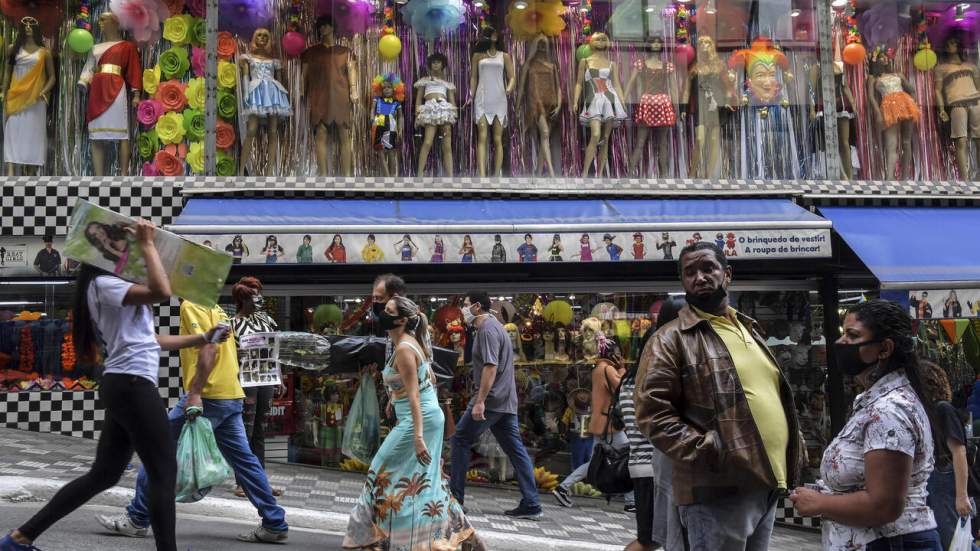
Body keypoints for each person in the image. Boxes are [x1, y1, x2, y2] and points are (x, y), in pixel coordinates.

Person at [1, 220, 214, 551]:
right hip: (130, 385)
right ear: (99, 254)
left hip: (126, 385)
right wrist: (146, 243)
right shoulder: (104, 284)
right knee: (163, 472)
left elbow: (149, 340)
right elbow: (162, 291)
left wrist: (202, 338)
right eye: (117, 247)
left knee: (104, 475)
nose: (124, 252)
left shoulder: (116, 288)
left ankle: (20, 538)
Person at [635, 241, 805, 551]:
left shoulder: (749, 329)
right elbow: (652, 414)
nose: (699, 277)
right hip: (717, 488)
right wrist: (710, 451)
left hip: (764, 483)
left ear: (727, 274)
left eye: (708, 268)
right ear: (683, 282)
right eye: (689, 272)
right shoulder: (670, 339)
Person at [99, 297, 289, 544]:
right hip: (230, 394)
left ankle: (136, 519)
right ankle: (274, 523)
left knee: (153, 450)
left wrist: (195, 393)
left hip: (208, 395)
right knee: (245, 461)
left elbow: (209, 347)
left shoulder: (193, 305)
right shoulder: (216, 307)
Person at [790, 300, 941, 550]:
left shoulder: (889, 411)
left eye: (852, 335)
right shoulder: (876, 402)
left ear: (884, 349)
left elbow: (884, 505)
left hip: (890, 542)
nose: (841, 343)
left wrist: (819, 503)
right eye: (842, 334)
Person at [343, 296, 484, 550]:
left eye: (388, 310)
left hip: (419, 421)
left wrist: (418, 438)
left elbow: (416, 395)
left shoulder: (405, 349)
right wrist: (393, 399)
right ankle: (461, 537)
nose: (381, 313)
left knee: (380, 470)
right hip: (422, 417)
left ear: (401, 320)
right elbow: (422, 379)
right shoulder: (407, 343)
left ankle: (376, 538)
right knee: (424, 478)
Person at [449, 291, 543, 519]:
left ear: (477, 307)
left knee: (460, 440)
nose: (464, 308)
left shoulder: (487, 330)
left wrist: (480, 401)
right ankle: (532, 503)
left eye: (466, 304)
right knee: (516, 450)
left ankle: (455, 501)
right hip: (505, 400)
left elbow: (491, 366)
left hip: (491, 400)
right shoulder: (498, 327)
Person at [618, 296, 686, 551]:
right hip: (655, 467)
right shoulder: (660, 368)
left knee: (657, 540)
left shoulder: (632, 377)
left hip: (645, 466)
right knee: (651, 541)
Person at [552, 337, 636, 513]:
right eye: (617, 353)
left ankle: (563, 487)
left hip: (602, 423)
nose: (619, 356)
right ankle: (630, 501)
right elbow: (623, 387)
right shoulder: (608, 369)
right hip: (609, 425)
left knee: (594, 462)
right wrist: (622, 368)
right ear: (611, 353)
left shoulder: (598, 368)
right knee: (630, 456)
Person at [230, 276, 283, 498]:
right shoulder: (232, 324)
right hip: (246, 380)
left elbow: (275, 350)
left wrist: (279, 377)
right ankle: (242, 482)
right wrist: (237, 354)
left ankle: (259, 481)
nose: (258, 298)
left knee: (260, 431)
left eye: (258, 292)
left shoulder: (266, 320)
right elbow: (227, 355)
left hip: (266, 379)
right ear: (243, 299)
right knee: (246, 431)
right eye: (253, 294)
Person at [922, 362, 975, 549]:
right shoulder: (930, 411)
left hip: (943, 476)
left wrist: (961, 495)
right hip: (938, 477)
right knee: (953, 539)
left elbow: (958, 450)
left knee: (953, 538)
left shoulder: (942, 409)